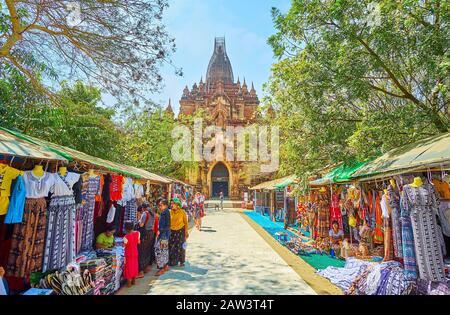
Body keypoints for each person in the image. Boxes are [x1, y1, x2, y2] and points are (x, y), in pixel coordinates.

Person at [169, 197, 189, 267]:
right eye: (171, 204)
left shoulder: (182, 212)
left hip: (181, 231)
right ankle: (173, 261)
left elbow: (186, 222)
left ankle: (182, 261)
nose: (171, 205)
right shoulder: (169, 212)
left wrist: (186, 232)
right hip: (172, 231)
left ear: (177, 205)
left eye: (173, 204)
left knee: (182, 246)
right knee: (172, 246)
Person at [136, 203, 154, 277]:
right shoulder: (152, 213)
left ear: (143, 208)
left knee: (141, 252)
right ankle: (145, 268)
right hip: (150, 233)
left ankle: (141, 272)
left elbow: (141, 225)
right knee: (147, 251)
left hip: (144, 234)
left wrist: (139, 218)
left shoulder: (144, 213)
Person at [155, 199, 171, 276]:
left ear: (165, 205)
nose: (160, 207)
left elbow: (166, 225)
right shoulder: (166, 212)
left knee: (160, 251)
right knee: (164, 251)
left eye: (161, 205)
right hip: (164, 234)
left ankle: (161, 268)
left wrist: (159, 231)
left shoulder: (165, 212)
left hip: (163, 235)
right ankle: (165, 266)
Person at [123, 221, 140, 287]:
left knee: (128, 267)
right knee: (134, 265)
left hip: (128, 254)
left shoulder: (125, 237)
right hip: (135, 252)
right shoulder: (138, 233)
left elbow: (124, 246)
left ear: (126, 228)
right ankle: (134, 280)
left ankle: (129, 283)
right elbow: (138, 242)